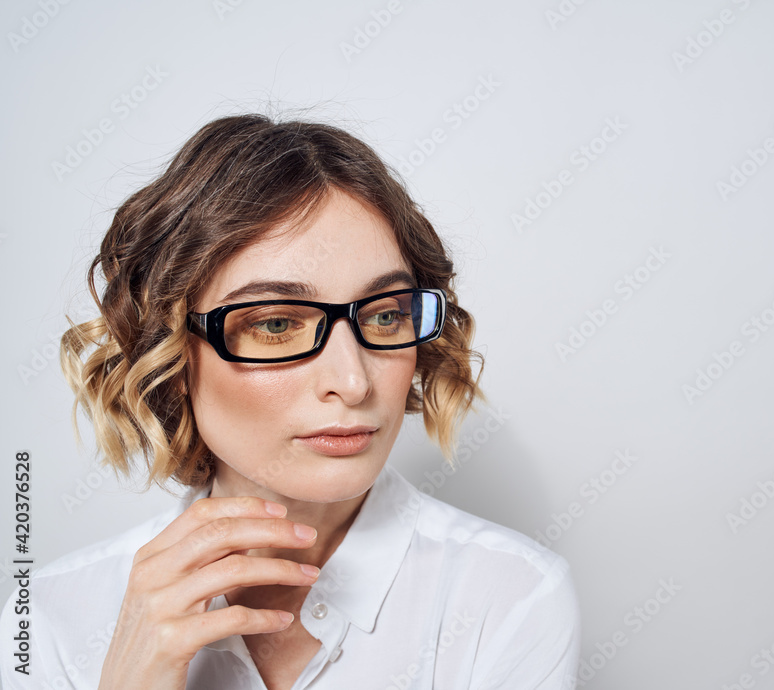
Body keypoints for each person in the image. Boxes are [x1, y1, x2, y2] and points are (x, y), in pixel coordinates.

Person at [0, 114, 581, 689]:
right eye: (276, 323)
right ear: (172, 353)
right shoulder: (47, 619)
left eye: (384, 315)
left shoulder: (507, 595)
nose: (353, 383)